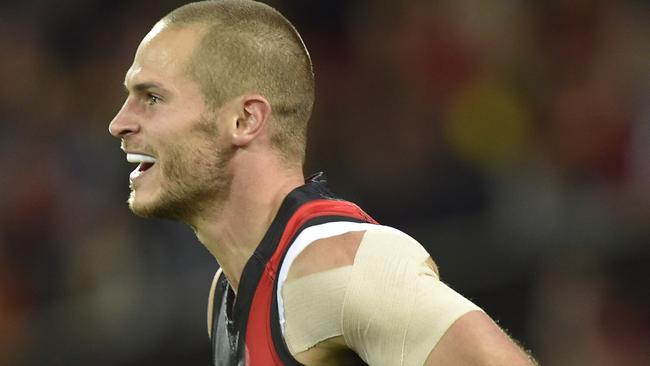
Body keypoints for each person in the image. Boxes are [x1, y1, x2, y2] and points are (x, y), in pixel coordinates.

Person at [108, 1, 537, 365]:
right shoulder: (226, 293)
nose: (119, 123)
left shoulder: (342, 268)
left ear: (244, 120)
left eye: (153, 98)